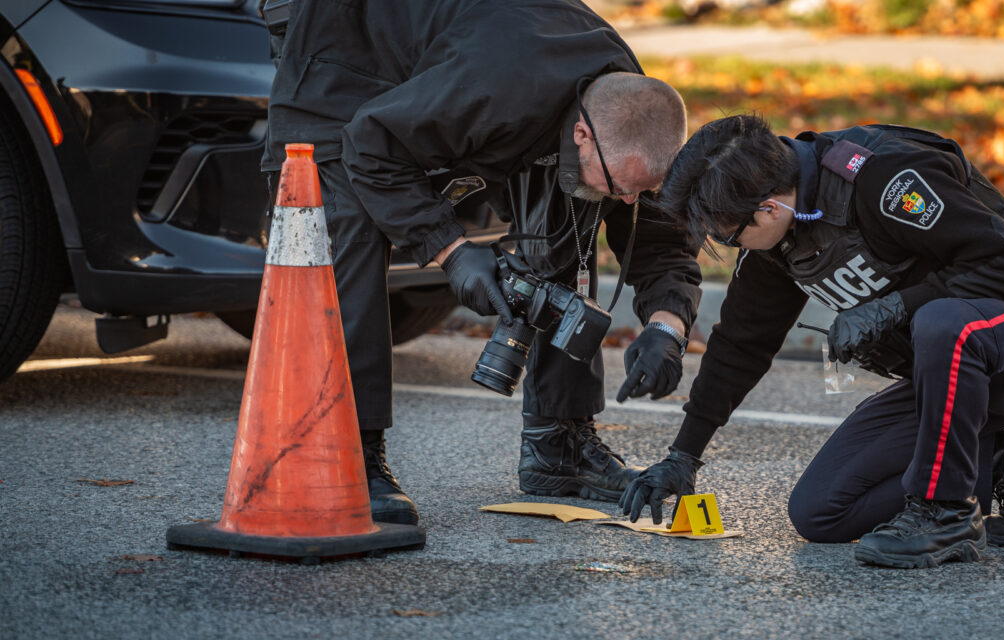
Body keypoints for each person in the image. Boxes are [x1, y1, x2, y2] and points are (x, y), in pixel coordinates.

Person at [262, 0, 702, 525]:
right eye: (622, 187)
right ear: (582, 133)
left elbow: (659, 236)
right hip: (346, 53)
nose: (628, 201)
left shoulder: (625, 113)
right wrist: (450, 251)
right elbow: (370, 145)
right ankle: (349, 451)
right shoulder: (498, 87)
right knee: (350, 224)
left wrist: (665, 328)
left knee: (573, 211)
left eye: (640, 189)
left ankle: (557, 448)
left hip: (469, 53)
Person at [621, 114, 1004, 569]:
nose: (732, 247)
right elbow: (741, 344)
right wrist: (683, 457)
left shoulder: (885, 180)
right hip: (949, 380)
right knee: (820, 511)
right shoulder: (781, 230)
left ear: (768, 207)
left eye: (728, 237)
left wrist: (894, 307)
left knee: (940, 321)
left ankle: (946, 513)